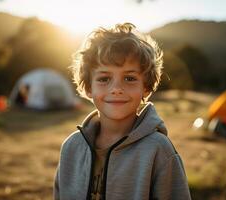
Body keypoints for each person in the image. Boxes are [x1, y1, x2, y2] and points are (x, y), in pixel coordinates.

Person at [54, 23, 191, 200]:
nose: (117, 88)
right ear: (89, 88)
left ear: (146, 88)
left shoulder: (159, 150)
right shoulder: (71, 147)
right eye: (104, 78)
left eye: (129, 78)